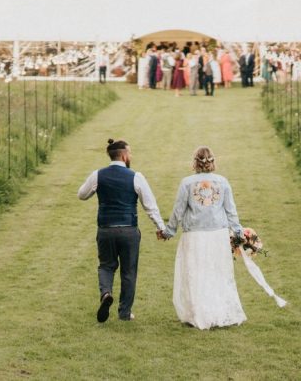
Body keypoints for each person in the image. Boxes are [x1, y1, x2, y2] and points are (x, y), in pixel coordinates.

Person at [78, 138, 166, 323]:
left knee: (106, 265)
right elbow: (150, 206)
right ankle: (124, 312)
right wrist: (161, 227)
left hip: (106, 229)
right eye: (130, 153)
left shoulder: (98, 175)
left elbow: (82, 195)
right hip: (128, 230)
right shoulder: (136, 177)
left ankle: (106, 293)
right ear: (124, 155)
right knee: (128, 271)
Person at [160, 147, 246, 330]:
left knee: (196, 273)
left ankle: (198, 313)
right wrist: (238, 232)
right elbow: (231, 211)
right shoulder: (222, 182)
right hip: (218, 235)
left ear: (195, 162)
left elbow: (178, 210)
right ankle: (218, 312)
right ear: (212, 161)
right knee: (217, 272)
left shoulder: (187, 183)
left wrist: (169, 231)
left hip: (195, 236)